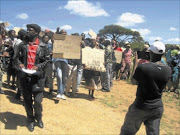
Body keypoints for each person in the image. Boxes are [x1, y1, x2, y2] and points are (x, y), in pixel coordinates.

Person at [120, 41, 171, 135]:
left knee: (127, 132)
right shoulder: (168, 70)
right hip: (157, 107)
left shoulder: (143, 67)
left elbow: (133, 81)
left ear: (150, 53)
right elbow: (165, 85)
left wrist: (136, 64)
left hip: (141, 106)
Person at [14, 24, 50, 132]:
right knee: (27, 101)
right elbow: (16, 58)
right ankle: (30, 120)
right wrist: (20, 64)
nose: (28, 31)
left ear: (37, 33)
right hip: (25, 77)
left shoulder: (43, 46)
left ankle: (38, 118)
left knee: (38, 102)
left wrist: (38, 67)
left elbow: (47, 61)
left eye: (31, 30)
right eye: (27, 29)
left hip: (38, 79)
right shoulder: (22, 45)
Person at [53, 29, 69, 100]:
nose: (64, 33)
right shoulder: (57, 41)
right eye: (62, 32)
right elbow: (52, 39)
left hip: (65, 61)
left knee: (64, 78)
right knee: (59, 76)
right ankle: (59, 92)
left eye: (65, 32)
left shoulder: (69, 42)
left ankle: (61, 93)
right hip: (57, 60)